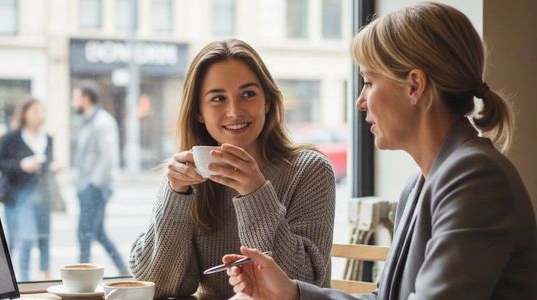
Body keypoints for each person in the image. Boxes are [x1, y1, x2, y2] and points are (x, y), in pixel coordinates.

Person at [223, 3, 537, 300]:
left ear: (414, 86)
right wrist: (292, 293)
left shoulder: (474, 178)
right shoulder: (421, 183)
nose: (361, 101)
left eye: (369, 82)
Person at [129, 39, 336, 299]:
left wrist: (255, 192)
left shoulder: (309, 170)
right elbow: (159, 285)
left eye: (248, 94)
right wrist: (175, 195)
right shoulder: (188, 177)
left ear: (268, 102)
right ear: (199, 113)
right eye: (218, 98)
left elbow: (299, 282)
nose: (234, 111)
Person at [71, 84, 129, 275]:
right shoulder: (88, 121)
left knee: (85, 233)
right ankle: (123, 270)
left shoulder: (102, 122)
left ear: (86, 99)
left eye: (76, 97)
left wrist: (92, 185)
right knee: (97, 232)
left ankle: (80, 276)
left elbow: (107, 157)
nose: (73, 102)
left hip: (95, 187)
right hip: (87, 186)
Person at [0, 99, 53, 281]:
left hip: (42, 195)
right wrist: (21, 164)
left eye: (42, 110)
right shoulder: (11, 138)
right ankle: (24, 282)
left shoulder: (48, 138)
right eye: (36, 110)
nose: (40, 114)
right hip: (19, 195)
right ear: (25, 113)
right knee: (23, 240)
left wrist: (53, 166)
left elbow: (48, 165)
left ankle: (45, 277)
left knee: (44, 237)